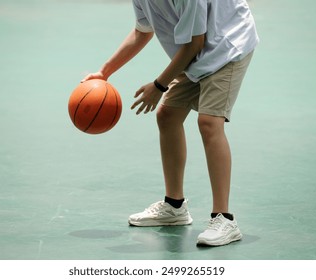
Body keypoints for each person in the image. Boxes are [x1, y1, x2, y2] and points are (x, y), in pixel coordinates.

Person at [82, 0, 259, 247]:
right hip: (195, 52)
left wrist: (158, 85)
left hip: (227, 44)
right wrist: (105, 72)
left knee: (209, 122)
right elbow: (141, 32)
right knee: (168, 115)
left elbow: (194, 44)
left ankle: (224, 219)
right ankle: (174, 207)